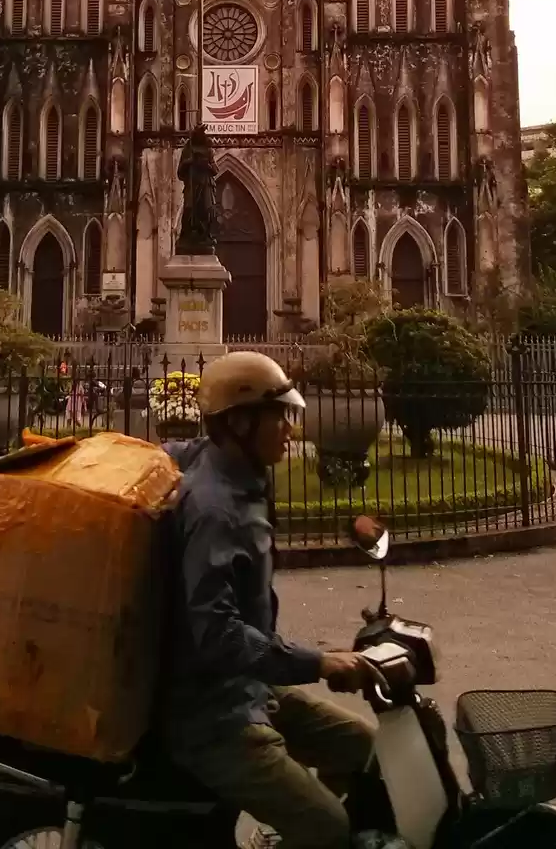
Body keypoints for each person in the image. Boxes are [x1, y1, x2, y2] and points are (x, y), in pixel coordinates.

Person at [161, 351, 382, 849]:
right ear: (239, 423)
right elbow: (217, 637)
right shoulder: (216, 511)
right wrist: (319, 662)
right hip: (212, 715)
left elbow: (170, 450)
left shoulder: (224, 464)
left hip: (250, 688)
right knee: (327, 828)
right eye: (278, 415)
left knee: (364, 747)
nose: (290, 428)